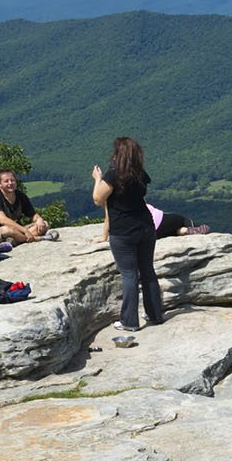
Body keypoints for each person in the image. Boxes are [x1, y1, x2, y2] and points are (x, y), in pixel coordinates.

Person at [92, 137, 162, 330]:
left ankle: (130, 322)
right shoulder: (140, 174)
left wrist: (97, 179)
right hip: (146, 227)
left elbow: (98, 199)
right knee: (147, 271)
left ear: (118, 155)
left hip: (123, 231)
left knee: (129, 274)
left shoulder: (113, 176)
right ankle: (155, 314)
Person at [0, 170, 57, 245]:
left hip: (17, 230)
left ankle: (15, 240)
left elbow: (32, 215)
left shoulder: (20, 195)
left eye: (12, 180)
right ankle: (37, 238)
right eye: (6, 181)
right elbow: (3, 220)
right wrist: (25, 231)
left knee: (44, 224)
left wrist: (39, 219)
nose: (10, 183)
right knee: (7, 230)